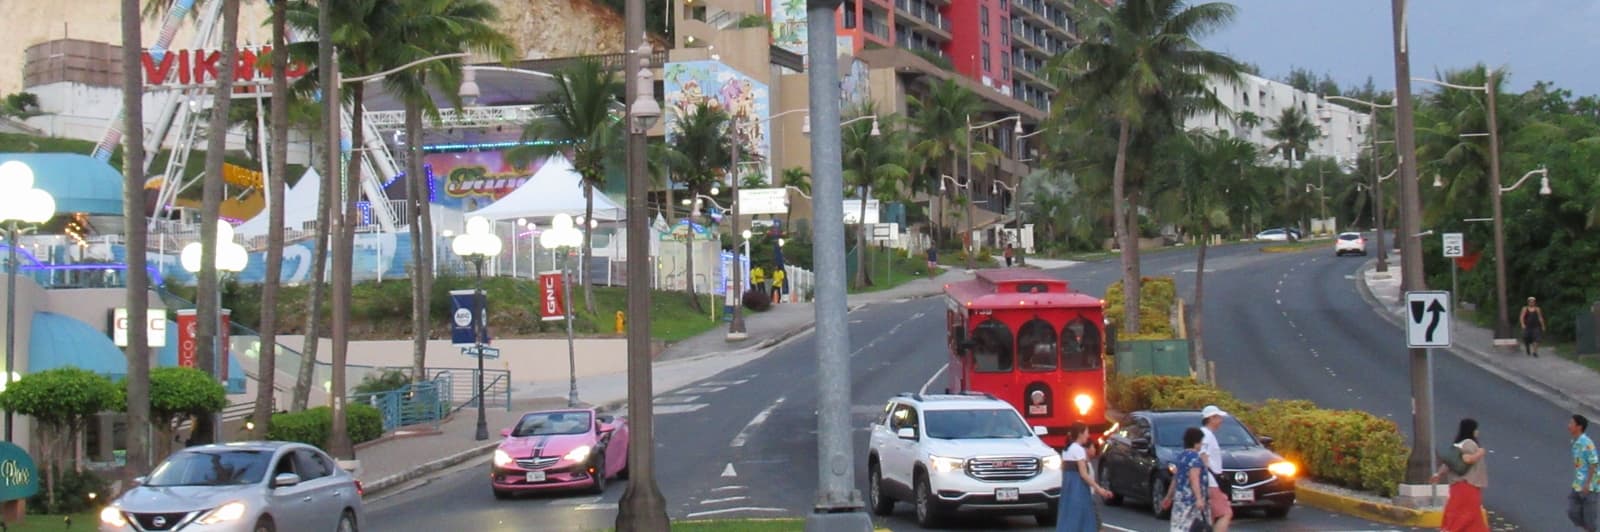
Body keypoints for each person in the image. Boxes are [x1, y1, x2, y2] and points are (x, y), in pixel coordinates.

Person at [1431, 418, 1489, 532]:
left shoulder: (1458, 445)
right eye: (1476, 429)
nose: (1478, 432)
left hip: (1458, 486)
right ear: (1472, 430)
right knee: (1467, 514)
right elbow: (1467, 459)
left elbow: (1449, 463)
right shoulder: (1470, 444)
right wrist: (1480, 453)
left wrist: (1439, 474)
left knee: (1460, 512)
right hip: (1468, 485)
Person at [1057, 422, 1113, 531]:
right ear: (1080, 434)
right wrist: (1099, 489)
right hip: (1079, 490)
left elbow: (1063, 469)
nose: (1088, 435)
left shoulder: (1066, 450)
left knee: (1069, 519)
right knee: (1084, 521)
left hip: (1068, 490)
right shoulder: (1078, 450)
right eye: (1087, 432)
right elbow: (1083, 474)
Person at [1162, 427, 1210, 532]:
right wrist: (1199, 498)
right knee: (1194, 527)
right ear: (1196, 442)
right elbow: (1194, 479)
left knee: (1179, 527)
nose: (1202, 445)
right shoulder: (1195, 458)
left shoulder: (1180, 457)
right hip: (1191, 501)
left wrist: (1168, 496)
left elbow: (1176, 478)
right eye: (1201, 442)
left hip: (1180, 499)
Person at [1199, 405, 1234, 532]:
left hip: (1210, 480)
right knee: (1225, 512)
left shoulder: (1206, 434)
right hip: (1211, 481)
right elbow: (1203, 455)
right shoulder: (1206, 435)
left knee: (1211, 515)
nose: (1221, 421)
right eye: (1218, 417)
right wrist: (1211, 474)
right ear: (1211, 418)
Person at [1571, 414, 1599, 531]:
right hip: (1578, 483)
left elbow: (1594, 463)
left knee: (1590, 518)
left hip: (1590, 486)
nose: (1568, 426)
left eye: (1571, 423)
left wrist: (1588, 483)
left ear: (1579, 427)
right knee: (1572, 512)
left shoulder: (1587, 444)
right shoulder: (1575, 442)